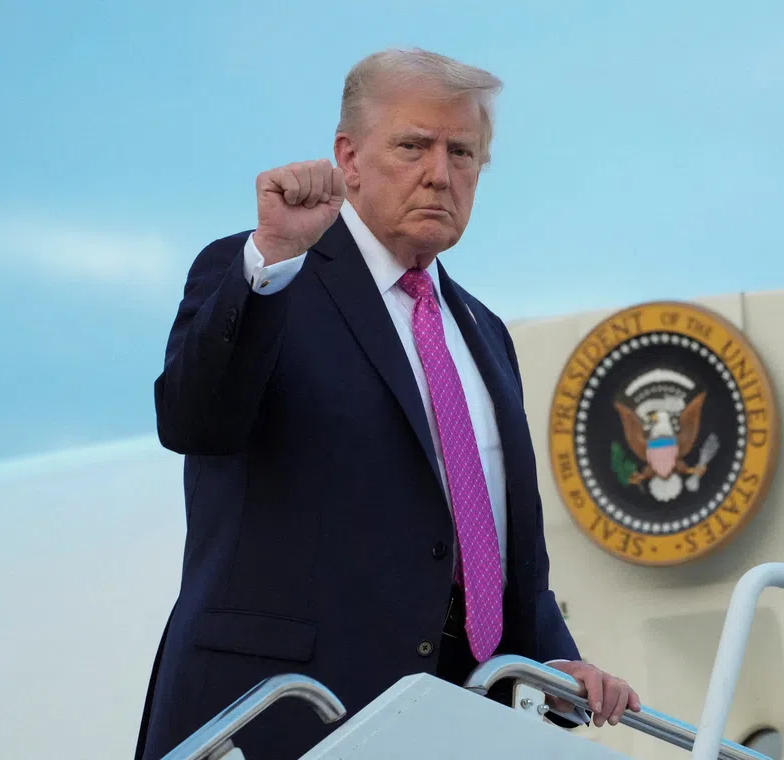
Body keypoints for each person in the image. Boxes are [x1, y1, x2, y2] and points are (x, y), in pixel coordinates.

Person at [134, 48, 640, 760]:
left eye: (463, 152)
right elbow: (195, 421)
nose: (440, 172)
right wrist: (273, 255)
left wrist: (551, 660)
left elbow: (488, 536)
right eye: (413, 145)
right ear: (348, 157)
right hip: (282, 717)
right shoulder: (264, 272)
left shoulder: (485, 332)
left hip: (451, 727)